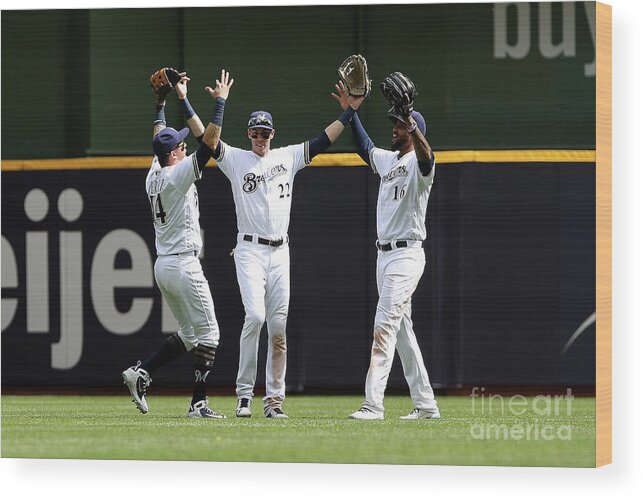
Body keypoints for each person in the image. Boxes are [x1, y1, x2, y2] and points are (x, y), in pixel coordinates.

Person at [211, 81, 364, 419]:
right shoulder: (236, 159)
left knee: (278, 328)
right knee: (255, 317)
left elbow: (324, 140)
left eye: (265, 132)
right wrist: (216, 103)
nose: (260, 138)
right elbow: (207, 140)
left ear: (273, 134)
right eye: (255, 132)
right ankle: (244, 395)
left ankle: (275, 400)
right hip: (249, 250)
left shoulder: (288, 156)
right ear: (248, 133)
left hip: (280, 252)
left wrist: (349, 111)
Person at [122, 70, 234, 419]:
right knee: (210, 333)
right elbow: (211, 145)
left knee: (189, 332)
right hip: (184, 265)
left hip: (164, 266)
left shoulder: (154, 171)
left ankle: (141, 372)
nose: (184, 147)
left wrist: (161, 102)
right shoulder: (176, 174)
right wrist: (220, 104)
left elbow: (160, 135)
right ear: (173, 155)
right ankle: (198, 403)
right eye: (181, 146)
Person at [332, 80, 441, 420]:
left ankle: (373, 404)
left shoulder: (420, 164)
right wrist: (350, 111)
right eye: (394, 124)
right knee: (402, 331)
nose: (393, 129)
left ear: (412, 130)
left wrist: (410, 119)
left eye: (399, 125)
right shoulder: (389, 159)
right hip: (384, 256)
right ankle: (426, 405)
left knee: (384, 325)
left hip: (406, 255)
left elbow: (427, 156)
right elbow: (364, 147)